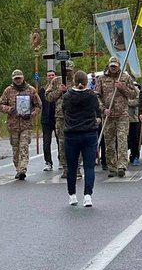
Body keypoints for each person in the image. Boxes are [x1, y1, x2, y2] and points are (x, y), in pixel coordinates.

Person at [63, 70, 101, 208]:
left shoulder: (67, 96)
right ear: (86, 82)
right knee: (89, 166)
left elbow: (64, 110)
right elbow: (97, 110)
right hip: (89, 133)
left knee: (72, 167)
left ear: (74, 81)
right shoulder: (91, 96)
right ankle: (88, 196)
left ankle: (72, 195)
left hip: (71, 134)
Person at [95, 58, 138, 178]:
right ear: (108, 66)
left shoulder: (125, 78)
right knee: (109, 143)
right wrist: (103, 109)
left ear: (119, 66)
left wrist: (122, 88)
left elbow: (134, 94)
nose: (113, 68)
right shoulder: (101, 79)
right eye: (111, 66)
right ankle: (112, 167)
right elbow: (97, 96)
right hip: (108, 116)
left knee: (122, 140)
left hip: (122, 115)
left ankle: (122, 166)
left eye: (115, 66)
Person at [0, 69, 41, 181]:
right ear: (13, 79)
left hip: (26, 125)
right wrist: (9, 109)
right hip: (13, 125)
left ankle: (23, 169)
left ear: (23, 78)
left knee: (24, 147)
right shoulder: (8, 90)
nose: (18, 80)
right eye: (16, 78)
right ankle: (18, 168)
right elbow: (0, 105)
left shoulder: (31, 90)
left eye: (19, 78)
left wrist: (31, 114)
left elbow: (38, 106)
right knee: (16, 149)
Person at [45, 72, 69, 177]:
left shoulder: (78, 79)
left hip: (75, 117)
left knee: (76, 142)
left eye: (70, 69)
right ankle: (65, 167)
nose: (68, 71)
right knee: (62, 143)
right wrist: (60, 90)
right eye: (66, 69)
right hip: (60, 117)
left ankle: (76, 167)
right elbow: (48, 97)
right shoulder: (56, 81)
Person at [40, 69, 58, 171]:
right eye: (49, 75)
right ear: (46, 77)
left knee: (60, 140)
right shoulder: (43, 89)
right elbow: (39, 103)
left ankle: (61, 159)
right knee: (46, 142)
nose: (51, 77)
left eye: (52, 75)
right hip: (46, 119)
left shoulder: (60, 88)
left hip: (57, 118)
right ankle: (48, 162)